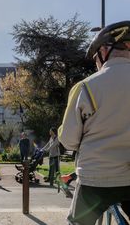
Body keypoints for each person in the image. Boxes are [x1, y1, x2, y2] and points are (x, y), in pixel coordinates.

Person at [58, 21, 130, 224]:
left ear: (105, 50)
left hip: (96, 178)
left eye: (96, 57)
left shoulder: (85, 87)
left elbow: (69, 140)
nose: (96, 63)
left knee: (77, 222)